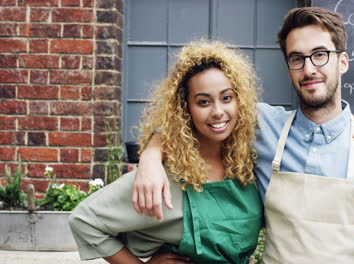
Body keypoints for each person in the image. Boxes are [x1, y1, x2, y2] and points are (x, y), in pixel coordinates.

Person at [132, 6, 354, 264]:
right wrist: (150, 157)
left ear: (343, 61)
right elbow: (191, 117)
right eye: (297, 59)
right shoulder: (261, 125)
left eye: (320, 54)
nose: (309, 69)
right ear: (288, 68)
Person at [68, 41, 264, 264]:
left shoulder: (251, 161)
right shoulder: (165, 176)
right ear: (185, 108)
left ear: (240, 101)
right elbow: (84, 220)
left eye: (227, 98)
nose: (218, 111)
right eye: (203, 102)